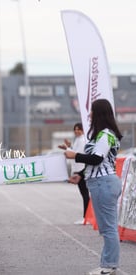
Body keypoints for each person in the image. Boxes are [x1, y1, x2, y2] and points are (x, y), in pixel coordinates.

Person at [65, 99, 122, 275]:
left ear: (99, 113)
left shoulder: (105, 135)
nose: (89, 115)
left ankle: (109, 265)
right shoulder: (101, 135)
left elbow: (97, 158)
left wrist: (75, 155)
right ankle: (108, 264)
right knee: (107, 227)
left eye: (92, 112)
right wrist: (80, 175)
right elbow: (97, 162)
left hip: (103, 184)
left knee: (109, 228)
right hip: (101, 182)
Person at [58, 122, 90, 225]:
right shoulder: (78, 140)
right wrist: (68, 147)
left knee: (85, 194)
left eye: (78, 129)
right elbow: (75, 152)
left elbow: (77, 155)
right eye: (75, 129)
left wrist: (68, 149)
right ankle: (87, 217)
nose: (76, 131)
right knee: (84, 194)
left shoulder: (83, 140)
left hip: (82, 170)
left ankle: (87, 217)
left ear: (83, 130)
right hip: (79, 170)